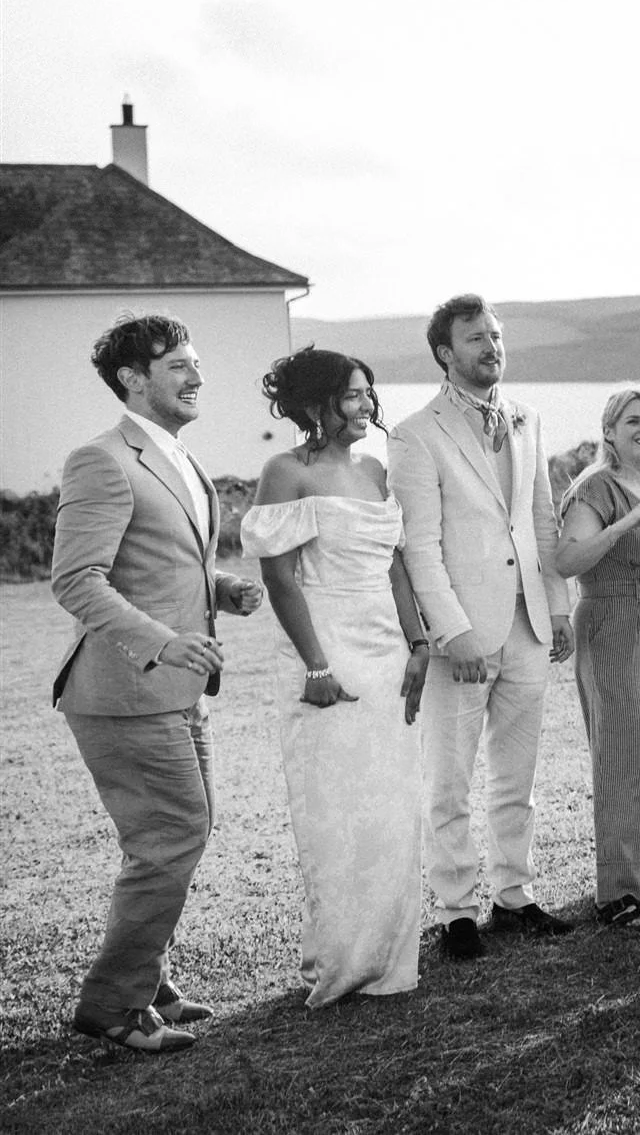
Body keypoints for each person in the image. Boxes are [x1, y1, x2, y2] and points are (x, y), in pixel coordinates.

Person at [50, 313, 265, 1053]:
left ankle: (148, 980)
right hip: (123, 689)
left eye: (196, 361)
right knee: (171, 835)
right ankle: (113, 1006)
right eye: (178, 364)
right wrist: (167, 641)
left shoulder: (178, 456)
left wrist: (223, 585)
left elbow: (164, 560)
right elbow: (77, 579)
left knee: (179, 832)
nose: (197, 375)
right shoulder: (100, 459)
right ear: (133, 379)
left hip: (174, 689)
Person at [387, 294, 574, 960]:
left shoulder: (528, 417)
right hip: (462, 634)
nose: (491, 347)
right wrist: (452, 631)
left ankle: (515, 895)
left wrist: (557, 604)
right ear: (445, 352)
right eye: (475, 338)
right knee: (449, 778)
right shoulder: (415, 432)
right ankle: (457, 909)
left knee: (516, 775)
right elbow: (419, 545)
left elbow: (542, 520)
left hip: (527, 623)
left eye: (495, 336)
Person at [241, 347, 430, 1004]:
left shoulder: (377, 470)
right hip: (329, 649)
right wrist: (315, 664)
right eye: (352, 396)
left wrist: (418, 642)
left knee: (395, 808)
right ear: (316, 405)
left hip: (387, 649)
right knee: (337, 810)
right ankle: (342, 960)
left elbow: (398, 566)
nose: (365, 407)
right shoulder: (285, 471)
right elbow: (279, 575)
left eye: (368, 395)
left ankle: (390, 958)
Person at [554, 389, 640, 931]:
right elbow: (567, 560)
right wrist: (624, 524)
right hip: (611, 622)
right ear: (608, 431)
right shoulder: (596, 487)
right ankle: (617, 895)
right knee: (623, 753)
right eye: (633, 420)